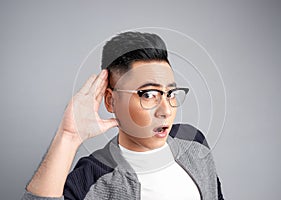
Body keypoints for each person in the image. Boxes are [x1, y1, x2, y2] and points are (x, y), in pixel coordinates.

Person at [22, 31, 224, 200]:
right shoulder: (92, 176)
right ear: (111, 101)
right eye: (149, 94)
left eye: (170, 93)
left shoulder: (192, 141)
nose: (166, 110)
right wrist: (68, 136)